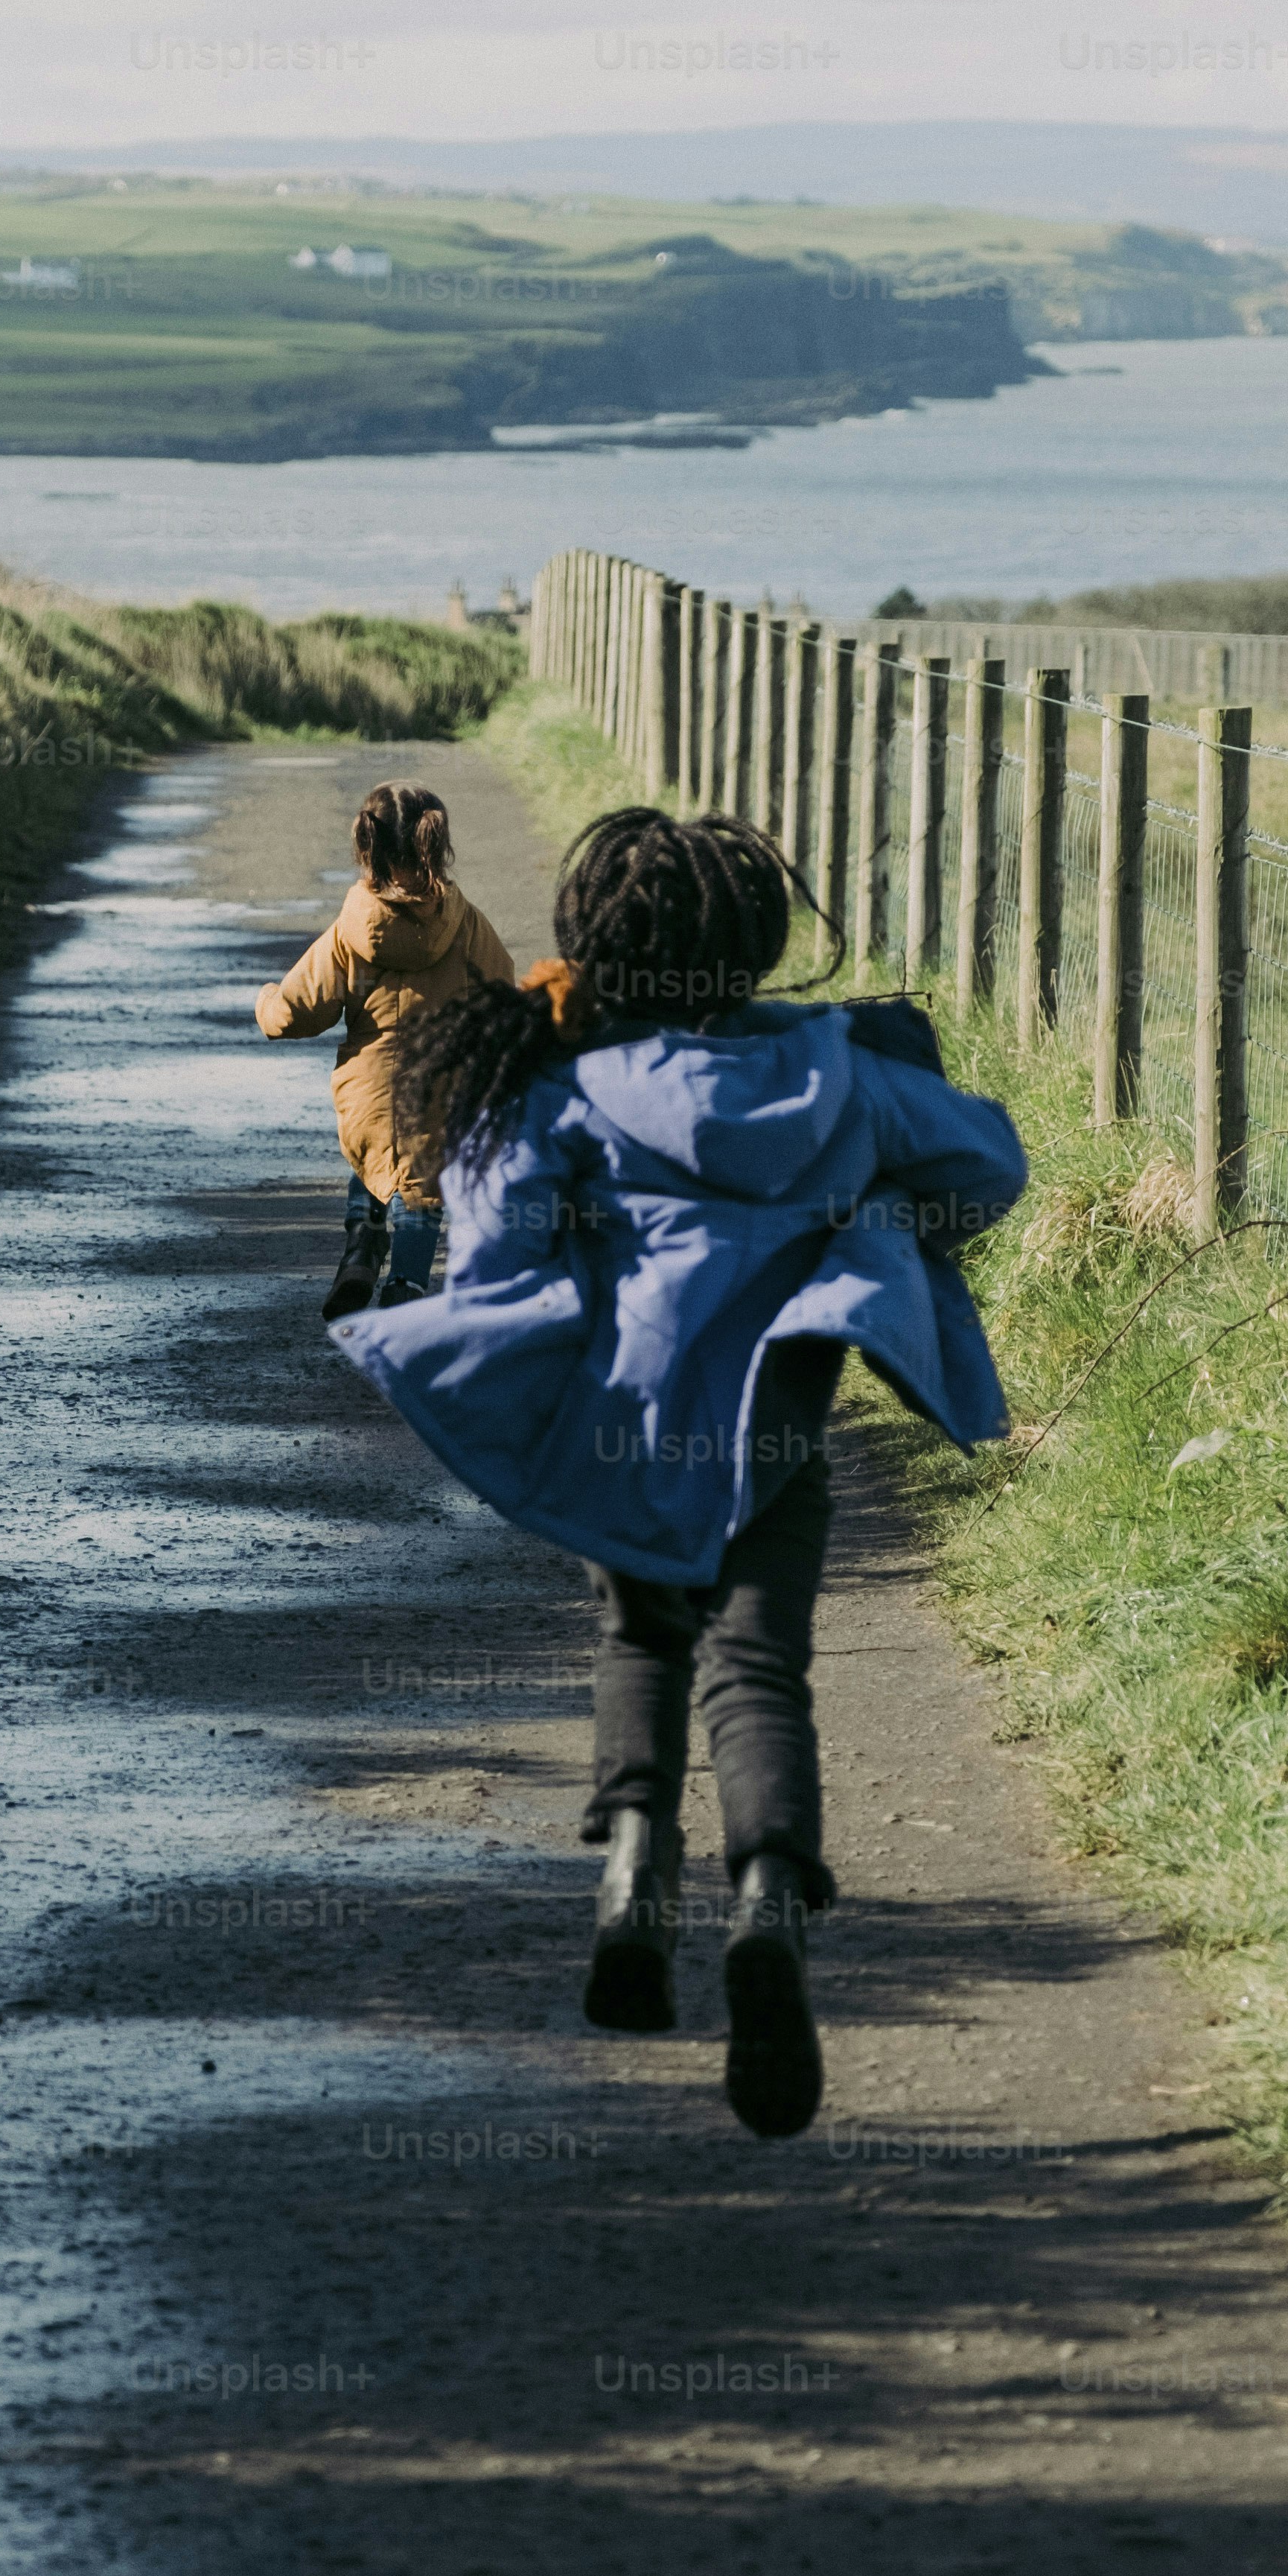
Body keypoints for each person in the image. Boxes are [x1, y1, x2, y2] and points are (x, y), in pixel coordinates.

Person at [337, 807, 1024, 2138]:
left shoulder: (564, 1084)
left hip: (622, 1422)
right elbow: (986, 1168)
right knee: (761, 1669)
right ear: (755, 950)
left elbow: (492, 1247)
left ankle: (636, 1881)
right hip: (778, 1427)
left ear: (594, 945)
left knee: (641, 1637)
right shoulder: (839, 1076)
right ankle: (769, 1904)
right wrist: (877, 1215)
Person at [255, 780, 518, 1319]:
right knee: (422, 1187)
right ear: (435, 843)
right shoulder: (466, 926)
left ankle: (360, 1250)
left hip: (368, 1091)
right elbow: (503, 1001)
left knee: (376, 1154)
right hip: (442, 1090)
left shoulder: (350, 931)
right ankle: (406, 1289)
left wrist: (266, 1003)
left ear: (367, 846)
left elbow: (299, 1010)